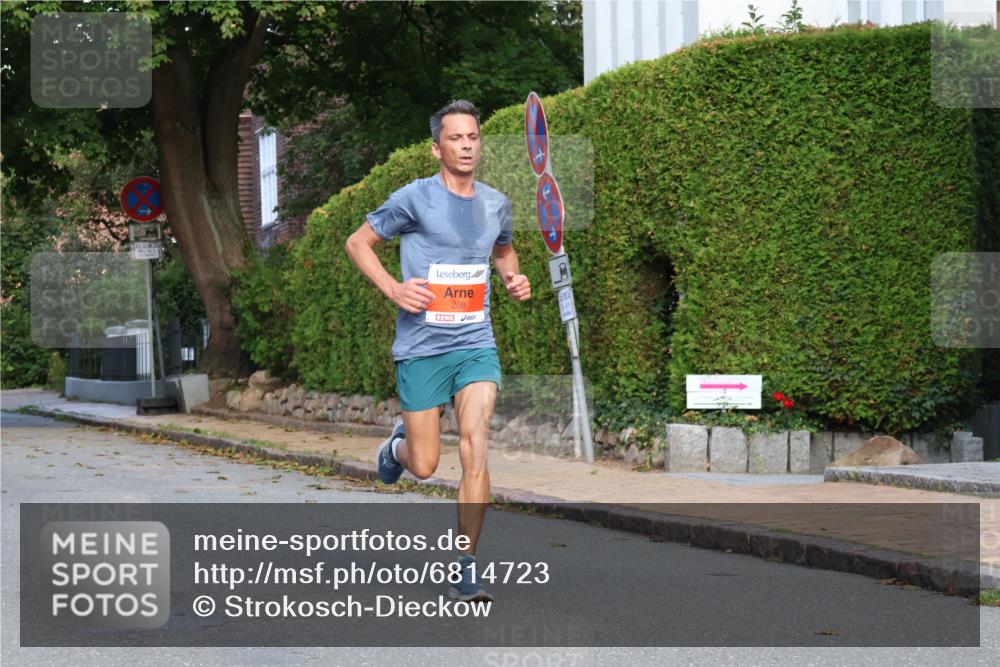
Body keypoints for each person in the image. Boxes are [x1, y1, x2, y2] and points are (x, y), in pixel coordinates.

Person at [345, 100, 531, 602]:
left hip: (474, 342)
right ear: (437, 147)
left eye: (473, 137)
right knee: (425, 464)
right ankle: (396, 447)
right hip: (422, 345)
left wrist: (513, 278)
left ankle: (466, 564)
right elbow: (357, 242)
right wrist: (393, 289)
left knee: (476, 443)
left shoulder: (495, 203)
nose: (467, 146)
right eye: (456, 138)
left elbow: (504, 250)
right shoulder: (413, 199)